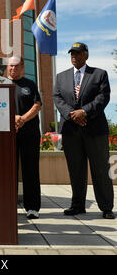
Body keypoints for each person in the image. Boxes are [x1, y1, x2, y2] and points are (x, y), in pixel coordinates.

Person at [53, 42, 115, 219]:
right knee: (76, 169)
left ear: (86, 55)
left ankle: (106, 207)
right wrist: (72, 114)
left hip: (94, 130)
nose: (75, 56)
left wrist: (84, 111)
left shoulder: (99, 74)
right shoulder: (61, 77)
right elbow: (57, 98)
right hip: (71, 131)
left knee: (101, 170)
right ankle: (77, 205)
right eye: (72, 53)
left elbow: (103, 97)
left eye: (78, 53)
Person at [7, 56, 42, 220]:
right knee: (8, 172)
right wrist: (12, 118)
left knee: (31, 171)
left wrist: (22, 119)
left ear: (22, 67)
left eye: (16, 66)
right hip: (8, 136)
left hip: (30, 134)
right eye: (10, 66)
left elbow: (37, 106)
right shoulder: (2, 84)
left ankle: (33, 208)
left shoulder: (30, 84)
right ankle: (7, 205)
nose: (13, 69)